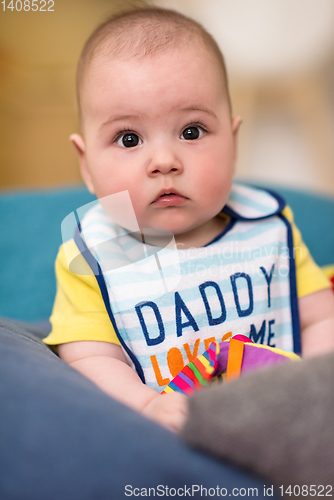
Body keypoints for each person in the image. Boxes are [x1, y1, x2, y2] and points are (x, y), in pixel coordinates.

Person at [43, 6, 334, 432]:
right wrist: (145, 406)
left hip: (282, 418)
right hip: (173, 430)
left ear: (232, 144)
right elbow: (89, 356)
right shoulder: (93, 254)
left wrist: (312, 390)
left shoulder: (269, 226)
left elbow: (321, 317)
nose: (164, 161)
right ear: (86, 165)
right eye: (129, 138)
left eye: (192, 131)